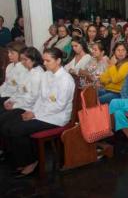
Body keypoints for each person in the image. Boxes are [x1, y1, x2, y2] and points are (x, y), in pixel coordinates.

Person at [2, 48, 75, 177]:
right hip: (41, 112)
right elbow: (41, 98)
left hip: (56, 118)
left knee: (16, 129)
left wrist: (35, 114)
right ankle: (19, 159)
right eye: (44, 60)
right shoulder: (47, 75)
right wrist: (32, 111)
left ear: (58, 61)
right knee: (9, 124)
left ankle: (30, 162)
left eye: (48, 60)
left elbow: (59, 106)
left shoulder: (66, 79)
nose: (44, 63)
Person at [0, 47, 43, 126]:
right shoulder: (27, 71)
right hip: (19, 103)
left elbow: (32, 98)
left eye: (25, 59)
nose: (22, 62)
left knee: (4, 122)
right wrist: (10, 100)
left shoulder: (38, 74)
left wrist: (15, 105)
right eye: (21, 59)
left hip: (27, 107)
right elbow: (19, 90)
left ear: (34, 59)